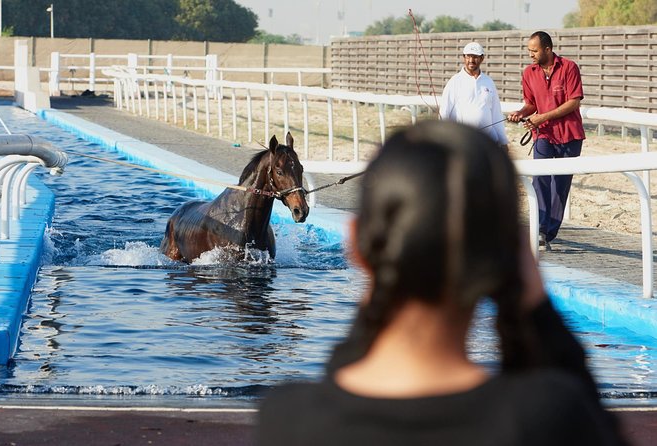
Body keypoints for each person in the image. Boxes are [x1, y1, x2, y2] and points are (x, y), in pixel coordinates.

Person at [258, 120, 627, 446]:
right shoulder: (552, 418)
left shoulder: (289, 420)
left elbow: (341, 385)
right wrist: (529, 303)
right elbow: (586, 411)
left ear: (356, 244)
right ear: (510, 252)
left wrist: (376, 286)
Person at [508, 31, 585, 249]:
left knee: (559, 186)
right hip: (542, 134)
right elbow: (531, 103)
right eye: (529, 51)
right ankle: (540, 230)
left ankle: (549, 232)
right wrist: (522, 113)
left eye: (534, 50)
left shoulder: (569, 67)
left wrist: (543, 116)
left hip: (569, 135)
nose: (530, 54)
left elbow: (573, 103)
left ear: (548, 49)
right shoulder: (528, 73)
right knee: (539, 179)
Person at [439, 41, 509, 150]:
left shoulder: (488, 82)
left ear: (482, 58)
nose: (471, 60)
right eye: (468, 56)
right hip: (463, 141)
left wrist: (503, 141)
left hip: (488, 140)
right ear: (464, 57)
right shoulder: (455, 82)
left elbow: (496, 113)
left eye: (475, 57)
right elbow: (444, 112)